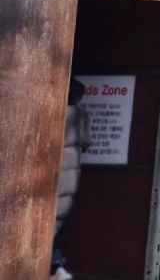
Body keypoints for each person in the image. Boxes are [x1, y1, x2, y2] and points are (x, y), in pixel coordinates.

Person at [53, 78, 88, 280]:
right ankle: (55, 265)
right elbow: (86, 143)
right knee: (58, 224)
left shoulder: (53, 112)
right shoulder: (80, 114)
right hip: (71, 176)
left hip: (53, 175)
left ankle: (54, 266)